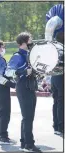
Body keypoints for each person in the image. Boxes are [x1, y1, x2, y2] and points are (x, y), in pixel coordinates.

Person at [5, 32, 41, 152]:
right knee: (27, 117)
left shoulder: (30, 55)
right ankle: (29, 144)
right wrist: (23, 71)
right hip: (23, 88)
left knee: (28, 117)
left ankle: (24, 143)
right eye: (30, 40)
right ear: (24, 42)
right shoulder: (17, 56)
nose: (32, 42)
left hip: (31, 87)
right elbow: (8, 72)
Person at [0, 39, 15, 145]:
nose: (4, 49)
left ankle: (0, 133)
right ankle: (3, 137)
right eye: (3, 47)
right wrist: (13, 85)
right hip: (1, 87)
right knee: (5, 113)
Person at [45, 4, 64, 135]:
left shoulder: (54, 52)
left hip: (55, 77)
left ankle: (56, 125)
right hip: (61, 77)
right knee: (61, 102)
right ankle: (60, 127)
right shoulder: (61, 52)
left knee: (57, 101)